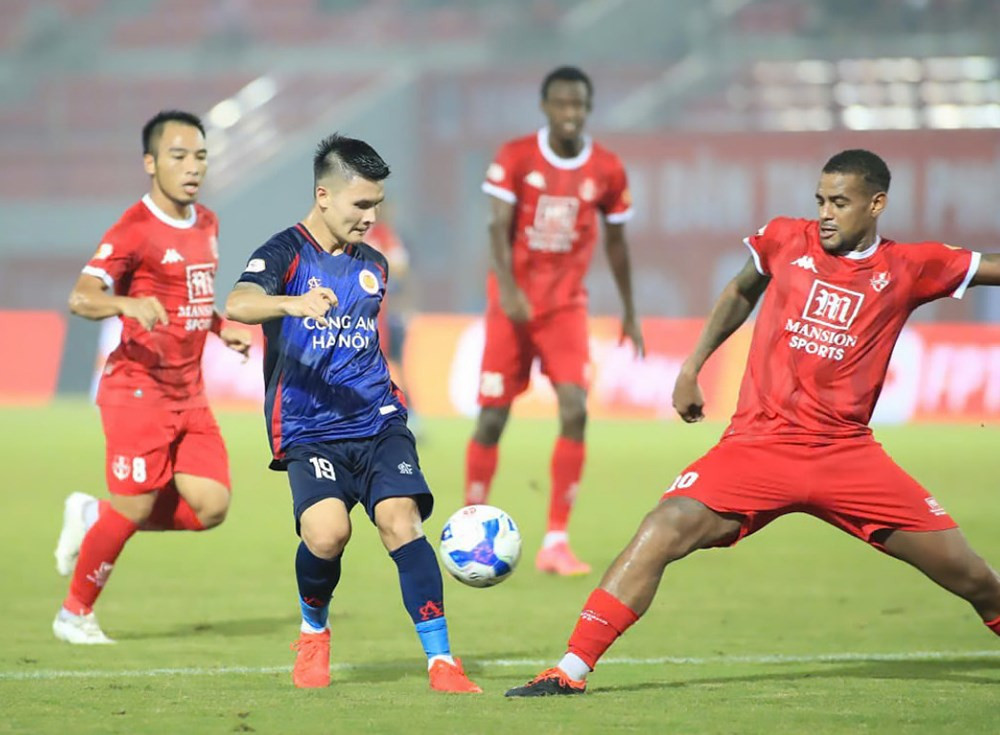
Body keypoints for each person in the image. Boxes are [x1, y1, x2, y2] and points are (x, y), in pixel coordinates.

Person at [506, 149, 1000, 696]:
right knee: (661, 529)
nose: (826, 213)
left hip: (847, 456)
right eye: (820, 200)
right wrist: (692, 366)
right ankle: (570, 670)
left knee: (973, 577)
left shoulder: (911, 265)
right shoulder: (786, 238)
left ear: (876, 204)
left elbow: (991, 267)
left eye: (840, 202)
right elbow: (742, 288)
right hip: (756, 447)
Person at [224, 133, 481, 693]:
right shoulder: (284, 252)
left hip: (378, 418)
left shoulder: (375, 265)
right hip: (309, 428)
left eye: (377, 205)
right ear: (323, 195)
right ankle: (313, 631)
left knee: (400, 521)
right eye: (360, 204)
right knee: (327, 534)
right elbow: (238, 302)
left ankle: (442, 662)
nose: (371, 217)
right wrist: (290, 303)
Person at [53, 110, 253, 644]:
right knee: (136, 505)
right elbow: (81, 298)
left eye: (200, 156)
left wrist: (219, 328)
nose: (193, 167)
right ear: (150, 163)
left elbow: (190, 296)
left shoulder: (207, 222)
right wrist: (125, 303)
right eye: (178, 156)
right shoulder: (134, 229)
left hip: (189, 391)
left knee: (212, 506)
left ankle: (95, 515)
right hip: (137, 388)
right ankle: (74, 613)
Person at [465, 65, 645, 576]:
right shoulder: (516, 156)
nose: (571, 113)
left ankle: (556, 541)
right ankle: (470, 522)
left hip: (565, 306)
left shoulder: (606, 168)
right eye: (562, 104)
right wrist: (509, 292)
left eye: (579, 105)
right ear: (545, 106)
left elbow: (617, 243)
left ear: (588, 109)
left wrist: (630, 311)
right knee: (492, 418)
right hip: (512, 305)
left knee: (575, 409)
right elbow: (497, 228)